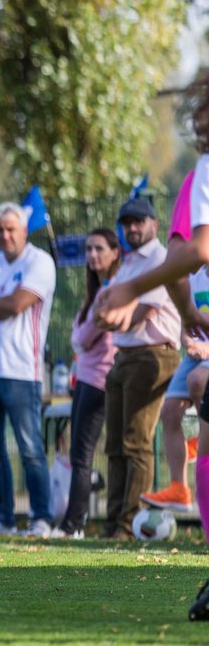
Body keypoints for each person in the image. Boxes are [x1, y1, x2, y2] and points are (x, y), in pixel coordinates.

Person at [93, 76, 209, 615]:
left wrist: (134, 289)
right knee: (188, 420)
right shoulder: (196, 179)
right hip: (183, 338)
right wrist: (189, 315)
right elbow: (188, 261)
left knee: (198, 417)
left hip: (160, 349)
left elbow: (192, 254)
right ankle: (177, 494)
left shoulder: (202, 176)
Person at [0, 203, 57, 537]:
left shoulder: (40, 262)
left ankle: (40, 518)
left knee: (29, 448)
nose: (4, 235)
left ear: (23, 230)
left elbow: (17, 305)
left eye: (10, 229)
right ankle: (2, 518)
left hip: (21, 369)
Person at [93, 197, 183, 541]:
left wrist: (110, 318)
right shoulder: (129, 264)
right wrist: (109, 317)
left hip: (153, 355)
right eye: (127, 222)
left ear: (154, 224)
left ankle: (131, 525)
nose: (132, 228)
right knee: (114, 445)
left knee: (136, 444)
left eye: (138, 221)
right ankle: (113, 521)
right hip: (124, 356)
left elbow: (136, 316)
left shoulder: (161, 260)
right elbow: (104, 314)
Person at [141, 169, 209, 515]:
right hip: (196, 352)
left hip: (207, 356)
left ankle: (201, 441)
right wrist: (188, 339)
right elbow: (188, 314)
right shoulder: (193, 268)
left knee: (200, 382)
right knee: (169, 413)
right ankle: (180, 488)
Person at [57, 229, 121, 539]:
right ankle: (80, 520)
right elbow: (80, 337)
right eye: (89, 249)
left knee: (83, 456)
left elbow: (82, 338)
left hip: (100, 381)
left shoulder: (113, 289)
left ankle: (73, 526)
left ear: (114, 253)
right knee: (81, 456)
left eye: (99, 249)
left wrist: (80, 333)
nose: (93, 255)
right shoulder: (96, 291)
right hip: (84, 379)